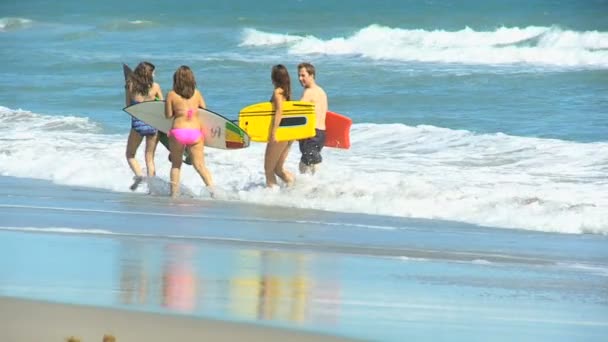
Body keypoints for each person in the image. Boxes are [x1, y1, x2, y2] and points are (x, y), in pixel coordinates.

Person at [165, 65, 214, 198]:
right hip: (195, 133)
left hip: (178, 132)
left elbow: (168, 115)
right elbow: (205, 109)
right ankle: (213, 192)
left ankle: (174, 194)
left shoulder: (171, 94)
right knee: (200, 166)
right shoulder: (197, 93)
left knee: (176, 165)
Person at [125, 61, 163, 190]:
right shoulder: (156, 86)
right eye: (153, 71)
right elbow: (162, 105)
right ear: (149, 73)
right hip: (153, 123)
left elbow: (128, 106)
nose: (155, 74)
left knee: (130, 154)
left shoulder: (130, 85)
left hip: (137, 123)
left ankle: (139, 175)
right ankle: (152, 187)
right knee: (149, 157)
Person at [264, 64, 295, 188]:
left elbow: (279, 112)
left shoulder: (278, 93)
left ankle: (273, 197)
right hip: (287, 133)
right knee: (278, 169)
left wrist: (273, 133)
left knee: (268, 170)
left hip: (279, 134)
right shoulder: (286, 91)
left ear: (274, 78)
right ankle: (295, 187)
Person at [297, 62, 328, 174]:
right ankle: (308, 189)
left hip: (312, 134)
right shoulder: (321, 91)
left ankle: (323, 182)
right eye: (299, 76)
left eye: (303, 75)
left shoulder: (309, 92)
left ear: (311, 75)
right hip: (320, 134)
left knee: (313, 161)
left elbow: (296, 111)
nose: (300, 78)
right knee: (304, 164)